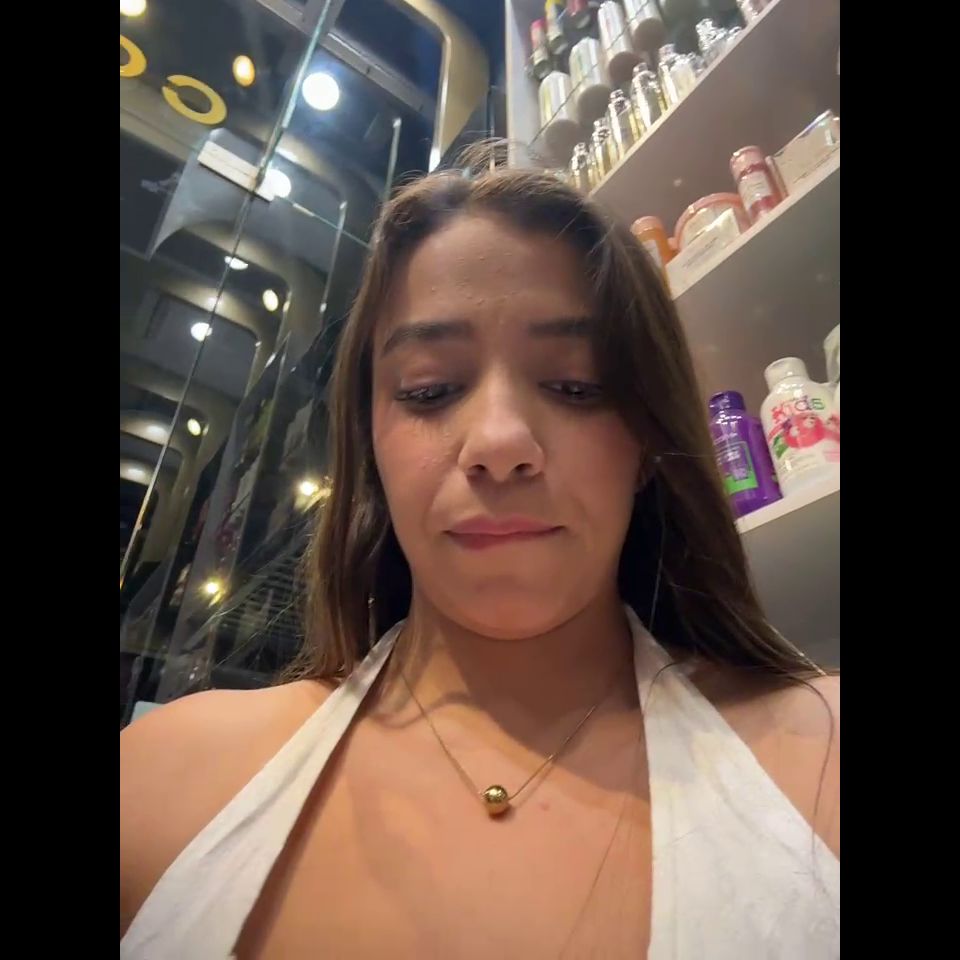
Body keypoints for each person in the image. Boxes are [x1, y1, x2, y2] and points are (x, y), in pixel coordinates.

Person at [120, 161, 839, 959]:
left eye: (576, 386)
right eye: (429, 390)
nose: (500, 441)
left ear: (646, 441)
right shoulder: (158, 783)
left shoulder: (823, 759)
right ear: (370, 444)